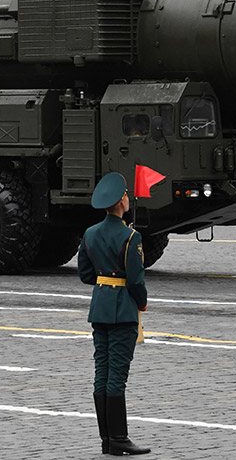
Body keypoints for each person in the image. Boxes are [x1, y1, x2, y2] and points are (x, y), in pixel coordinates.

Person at [77, 172, 150, 456]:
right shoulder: (131, 236)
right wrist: (141, 303)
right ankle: (119, 437)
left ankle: (107, 438)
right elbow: (135, 280)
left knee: (102, 372)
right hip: (123, 310)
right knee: (117, 374)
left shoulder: (91, 233)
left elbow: (85, 274)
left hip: (100, 308)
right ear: (121, 201)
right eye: (127, 195)